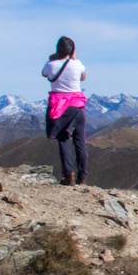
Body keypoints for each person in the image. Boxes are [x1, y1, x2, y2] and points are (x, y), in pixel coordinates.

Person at [41, 36, 88, 186]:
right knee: (80, 141)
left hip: (60, 107)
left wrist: (52, 59)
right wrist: (74, 59)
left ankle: (68, 175)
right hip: (77, 106)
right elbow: (83, 77)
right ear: (72, 50)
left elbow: (44, 74)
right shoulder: (77, 64)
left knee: (63, 139)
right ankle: (82, 177)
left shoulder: (50, 65)